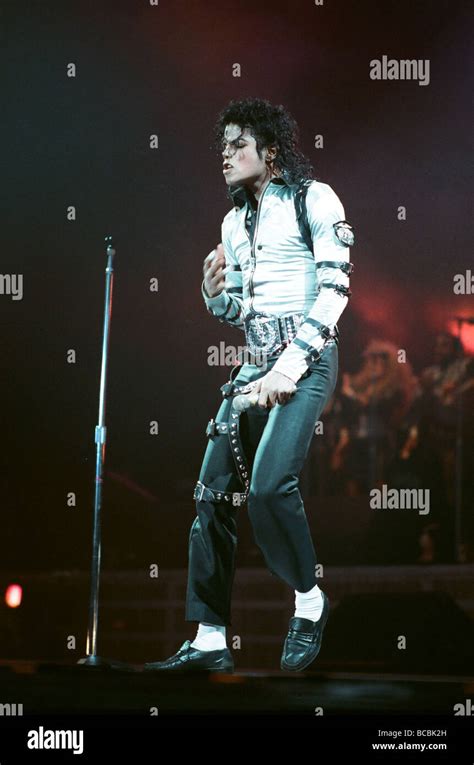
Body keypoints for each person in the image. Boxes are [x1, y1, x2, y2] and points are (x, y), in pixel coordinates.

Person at [144, 97, 354, 673]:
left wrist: (287, 369)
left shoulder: (315, 197)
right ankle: (211, 638)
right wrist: (216, 298)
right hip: (255, 366)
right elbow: (244, 312)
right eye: (222, 147)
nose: (226, 156)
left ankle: (309, 602)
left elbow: (336, 291)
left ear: (270, 147)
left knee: (266, 488)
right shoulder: (233, 223)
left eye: (238, 145)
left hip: (307, 360)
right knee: (210, 493)